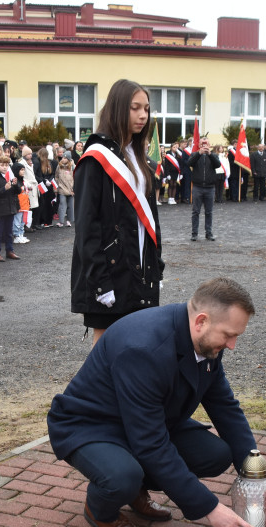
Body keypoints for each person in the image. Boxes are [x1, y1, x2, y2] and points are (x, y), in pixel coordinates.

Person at [47, 277, 261, 527]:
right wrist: (211, 509)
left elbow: (225, 407)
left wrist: (255, 473)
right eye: (229, 335)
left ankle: (135, 488)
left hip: (143, 422)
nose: (232, 345)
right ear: (201, 321)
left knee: (216, 455)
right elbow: (151, 444)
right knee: (122, 477)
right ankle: (100, 510)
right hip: (90, 425)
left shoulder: (206, 341)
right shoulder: (144, 349)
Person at [71, 78, 162, 346]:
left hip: (139, 268)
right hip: (110, 271)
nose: (143, 115)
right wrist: (100, 281)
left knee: (137, 349)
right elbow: (87, 226)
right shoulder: (96, 158)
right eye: (135, 107)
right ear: (119, 108)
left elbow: (150, 219)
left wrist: (156, 265)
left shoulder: (139, 156)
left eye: (146, 108)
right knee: (106, 354)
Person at [0, 153, 21, 261]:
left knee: (9, 231)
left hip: (10, 207)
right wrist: (4, 188)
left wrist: (15, 185)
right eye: (2, 165)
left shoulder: (10, 177)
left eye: (6, 165)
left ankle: (9, 251)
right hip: (0, 209)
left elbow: (18, 191)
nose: (5, 167)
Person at [187, 136, 221, 241]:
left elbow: (218, 165)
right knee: (196, 211)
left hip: (210, 188)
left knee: (209, 212)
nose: (204, 146)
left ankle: (209, 233)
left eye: (206, 144)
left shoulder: (214, 155)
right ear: (199, 145)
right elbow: (189, 163)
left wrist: (210, 154)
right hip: (197, 187)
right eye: (202, 144)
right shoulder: (194, 154)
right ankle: (194, 233)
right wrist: (199, 153)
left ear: (209, 145)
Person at [34, 147, 57, 229]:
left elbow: (52, 173)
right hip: (42, 185)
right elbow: (39, 174)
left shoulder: (49, 163)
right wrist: (44, 180)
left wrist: (49, 180)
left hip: (48, 185)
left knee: (49, 203)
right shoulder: (38, 163)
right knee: (42, 203)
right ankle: (42, 220)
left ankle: (48, 220)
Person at [55, 153, 74, 227]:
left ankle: (69, 220)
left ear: (68, 159)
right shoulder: (59, 166)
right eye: (62, 158)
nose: (63, 159)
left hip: (71, 189)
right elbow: (56, 177)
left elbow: (75, 178)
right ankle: (61, 221)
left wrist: (73, 189)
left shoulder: (72, 167)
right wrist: (56, 188)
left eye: (65, 158)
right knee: (62, 204)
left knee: (70, 205)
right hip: (61, 188)